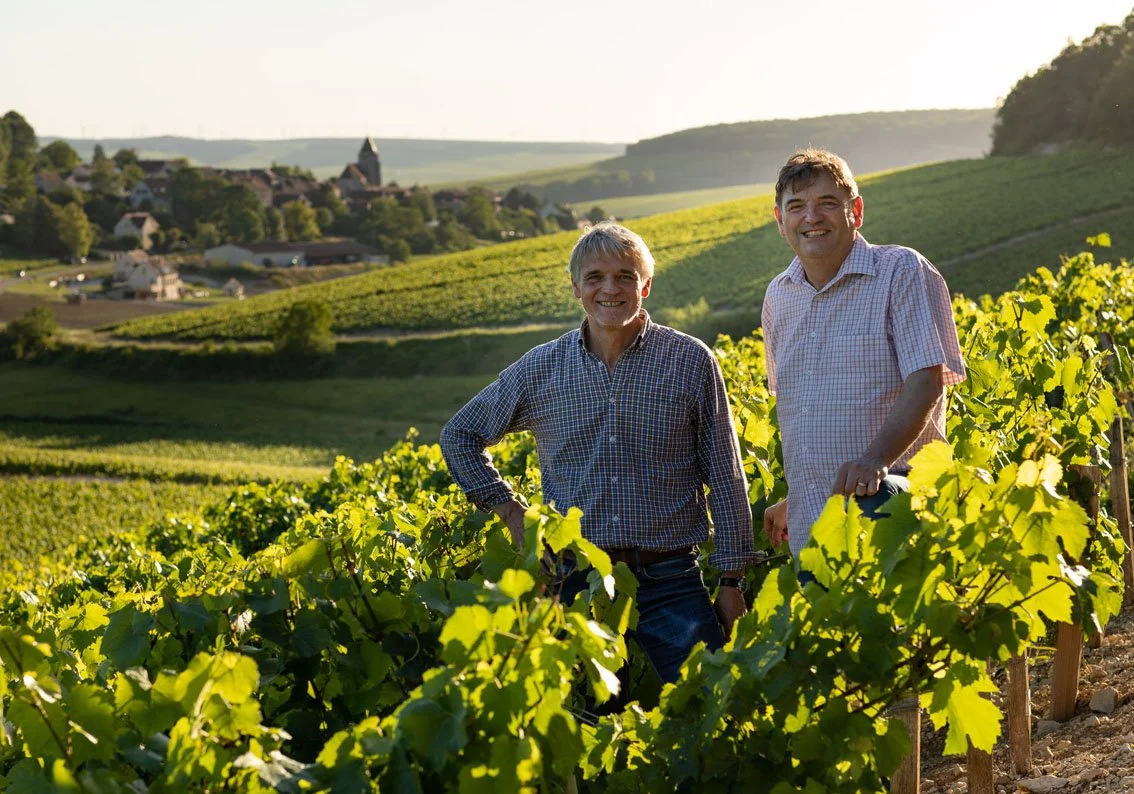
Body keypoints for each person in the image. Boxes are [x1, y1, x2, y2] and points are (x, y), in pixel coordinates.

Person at [440, 221, 759, 684]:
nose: (610, 288)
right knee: (582, 723)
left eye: (625, 276)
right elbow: (459, 435)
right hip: (574, 582)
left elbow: (726, 475)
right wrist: (510, 512)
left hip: (669, 579)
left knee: (709, 703)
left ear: (645, 285)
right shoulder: (542, 368)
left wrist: (731, 581)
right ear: (576, 288)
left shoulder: (690, 361)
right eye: (595, 277)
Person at [760, 149, 966, 560]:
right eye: (796, 207)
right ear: (781, 221)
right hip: (812, 527)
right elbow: (800, 411)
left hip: (894, 512)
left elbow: (927, 380)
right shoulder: (778, 296)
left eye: (827, 204)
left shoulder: (902, 271)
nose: (811, 217)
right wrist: (799, 497)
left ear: (855, 210)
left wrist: (876, 459)